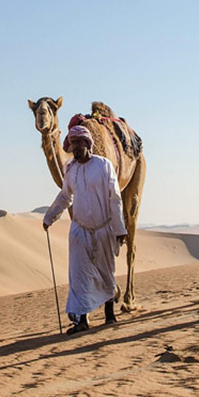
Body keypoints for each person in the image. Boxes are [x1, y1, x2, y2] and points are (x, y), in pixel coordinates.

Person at [43, 125, 128, 333]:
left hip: (103, 228)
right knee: (78, 275)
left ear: (88, 143)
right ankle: (81, 321)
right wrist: (49, 216)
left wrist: (119, 229)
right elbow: (65, 197)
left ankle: (110, 314)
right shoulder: (70, 170)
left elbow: (115, 198)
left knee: (106, 272)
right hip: (79, 231)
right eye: (74, 143)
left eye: (80, 142)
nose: (77, 146)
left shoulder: (103, 165)